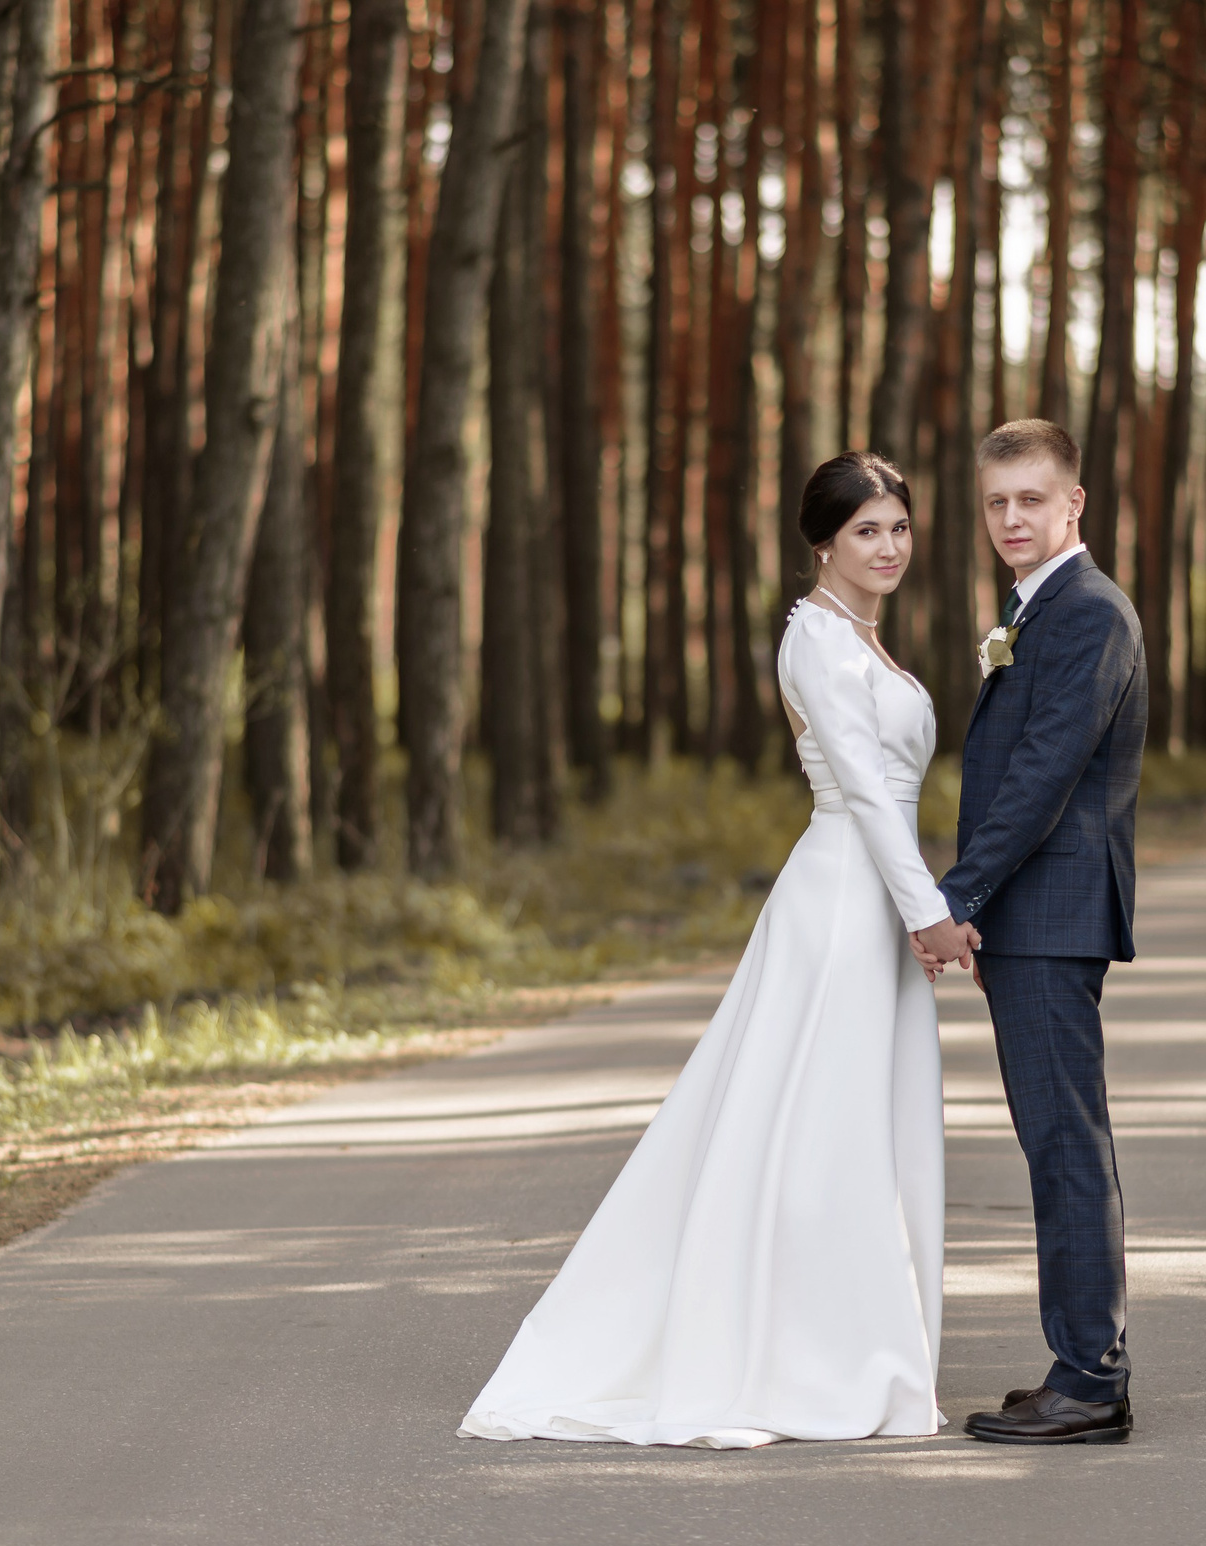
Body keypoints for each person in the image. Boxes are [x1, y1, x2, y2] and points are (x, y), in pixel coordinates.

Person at [459, 451, 961, 1449]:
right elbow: (861, 785)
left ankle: (856, 1333)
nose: (889, 545)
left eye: (898, 527)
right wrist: (926, 910)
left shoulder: (863, 636)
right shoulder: (816, 640)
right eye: (867, 530)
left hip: (874, 887)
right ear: (823, 543)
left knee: (859, 1119)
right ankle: (811, 1349)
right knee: (820, 1125)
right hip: (842, 894)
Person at [913, 417, 1145, 1446]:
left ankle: (1090, 1382)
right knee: (1056, 1141)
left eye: (1032, 500)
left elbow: (1043, 775)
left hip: (1050, 916)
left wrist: (958, 896)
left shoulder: (1088, 614)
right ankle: (1079, 1364)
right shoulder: (1037, 610)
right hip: (1032, 919)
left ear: (1073, 505)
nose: (1012, 519)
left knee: (1064, 1146)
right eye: (998, 502)